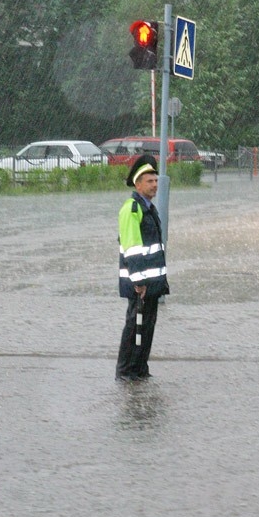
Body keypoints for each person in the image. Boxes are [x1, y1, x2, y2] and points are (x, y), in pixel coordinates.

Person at [115, 154, 169, 381]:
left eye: (156, 180)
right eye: (150, 181)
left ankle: (140, 370)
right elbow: (132, 248)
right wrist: (138, 282)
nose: (155, 185)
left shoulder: (149, 208)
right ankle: (127, 371)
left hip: (152, 283)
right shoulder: (132, 209)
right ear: (138, 184)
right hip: (141, 284)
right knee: (134, 328)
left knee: (146, 327)